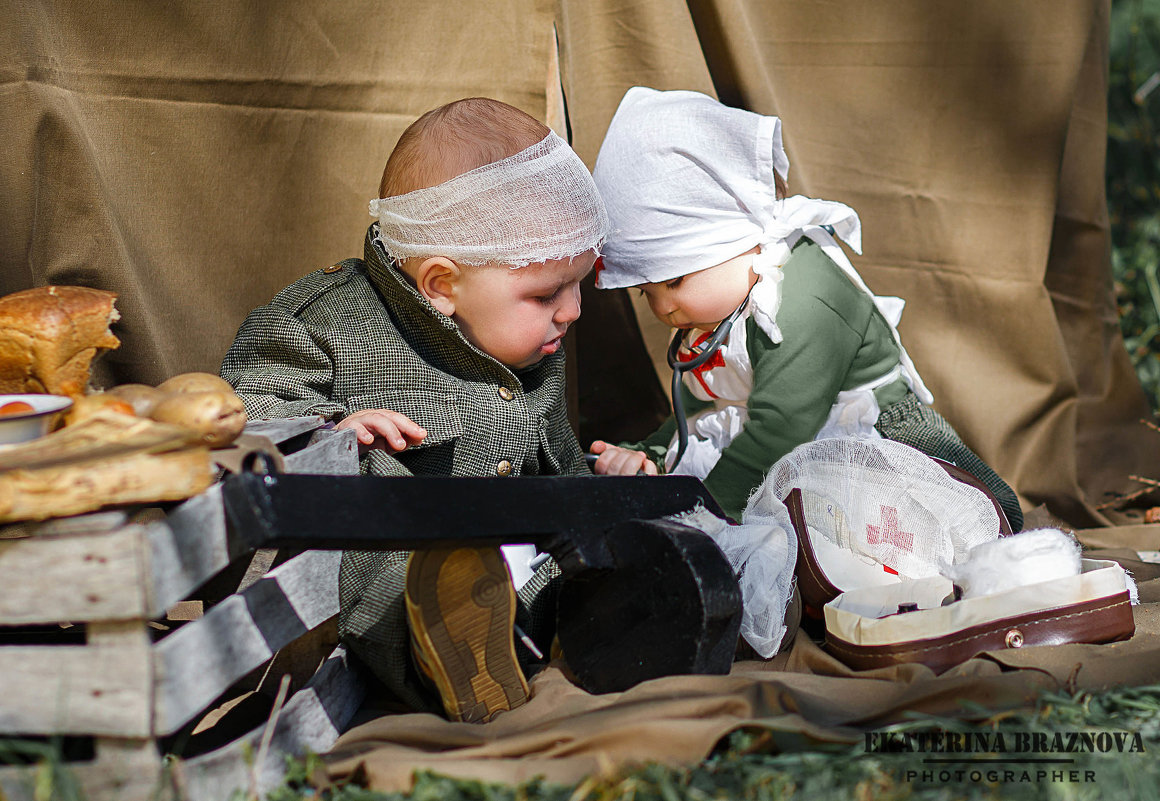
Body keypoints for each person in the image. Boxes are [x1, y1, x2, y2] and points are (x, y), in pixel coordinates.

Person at [220, 97, 617, 722]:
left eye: (577, 284)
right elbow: (242, 412)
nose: (571, 311)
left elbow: (556, 459)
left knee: (601, 549)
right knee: (407, 577)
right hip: (392, 566)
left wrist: (600, 478)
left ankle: (594, 625)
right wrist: (329, 434)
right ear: (441, 284)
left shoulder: (533, 343)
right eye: (545, 295)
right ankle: (456, 660)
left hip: (517, 549)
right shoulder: (322, 323)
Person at [587, 87, 1023, 532]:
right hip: (762, 443)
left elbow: (781, 428)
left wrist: (709, 516)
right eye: (646, 292)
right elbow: (702, 406)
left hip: (857, 438)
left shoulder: (800, 303)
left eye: (674, 281)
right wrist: (653, 453)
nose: (663, 308)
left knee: (971, 519)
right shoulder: (719, 304)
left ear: (740, 239)